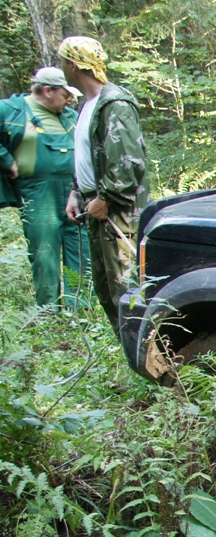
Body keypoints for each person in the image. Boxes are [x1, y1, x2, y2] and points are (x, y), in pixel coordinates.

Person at [59, 36, 149, 324]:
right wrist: (76, 193)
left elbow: (129, 164)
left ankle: (151, 349)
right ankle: (128, 349)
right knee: (107, 290)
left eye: (62, 62)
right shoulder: (88, 106)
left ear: (73, 65)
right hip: (96, 207)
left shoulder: (115, 103)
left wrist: (106, 199)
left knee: (129, 293)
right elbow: (88, 158)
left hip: (119, 215)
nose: (61, 67)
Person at [0, 67, 89, 308]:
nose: (69, 100)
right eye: (65, 94)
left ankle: (80, 309)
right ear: (48, 91)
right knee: (45, 251)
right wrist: (7, 160)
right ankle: (48, 310)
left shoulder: (69, 116)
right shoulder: (10, 110)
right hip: (37, 190)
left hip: (74, 189)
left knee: (80, 247)